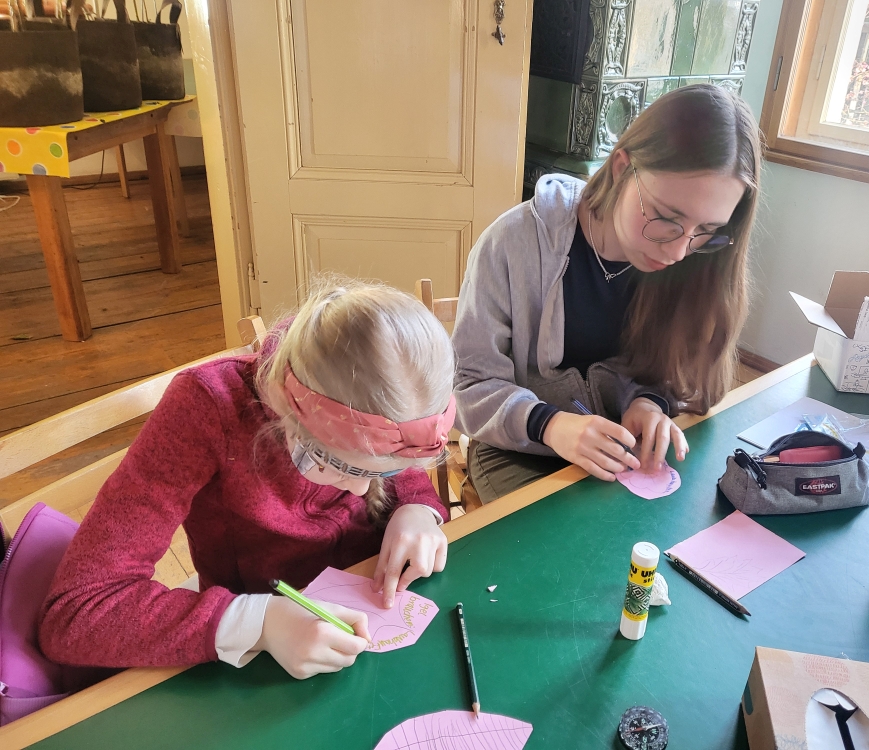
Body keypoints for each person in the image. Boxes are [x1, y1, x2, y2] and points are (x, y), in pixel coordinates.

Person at [39, 277, 456, 680]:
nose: (363, 490)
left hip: (373, 611)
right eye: (336, 464)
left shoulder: (376, 401)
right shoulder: (206, 408)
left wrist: (417, 508)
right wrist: (259, 624)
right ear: (285, 411)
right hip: (259, 646)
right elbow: (76, 613)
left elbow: (387, 462)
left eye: (386, 471)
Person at [453, 84, 762, 503]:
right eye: (666, 217)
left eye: (706, 231)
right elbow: (469, 385)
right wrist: (549, 424)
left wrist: (649, 402)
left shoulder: (696, 263)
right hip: (520, 447)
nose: (677, 252)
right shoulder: (512, 244)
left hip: (623, 446)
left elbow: (674, 375)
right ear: (621, 168)